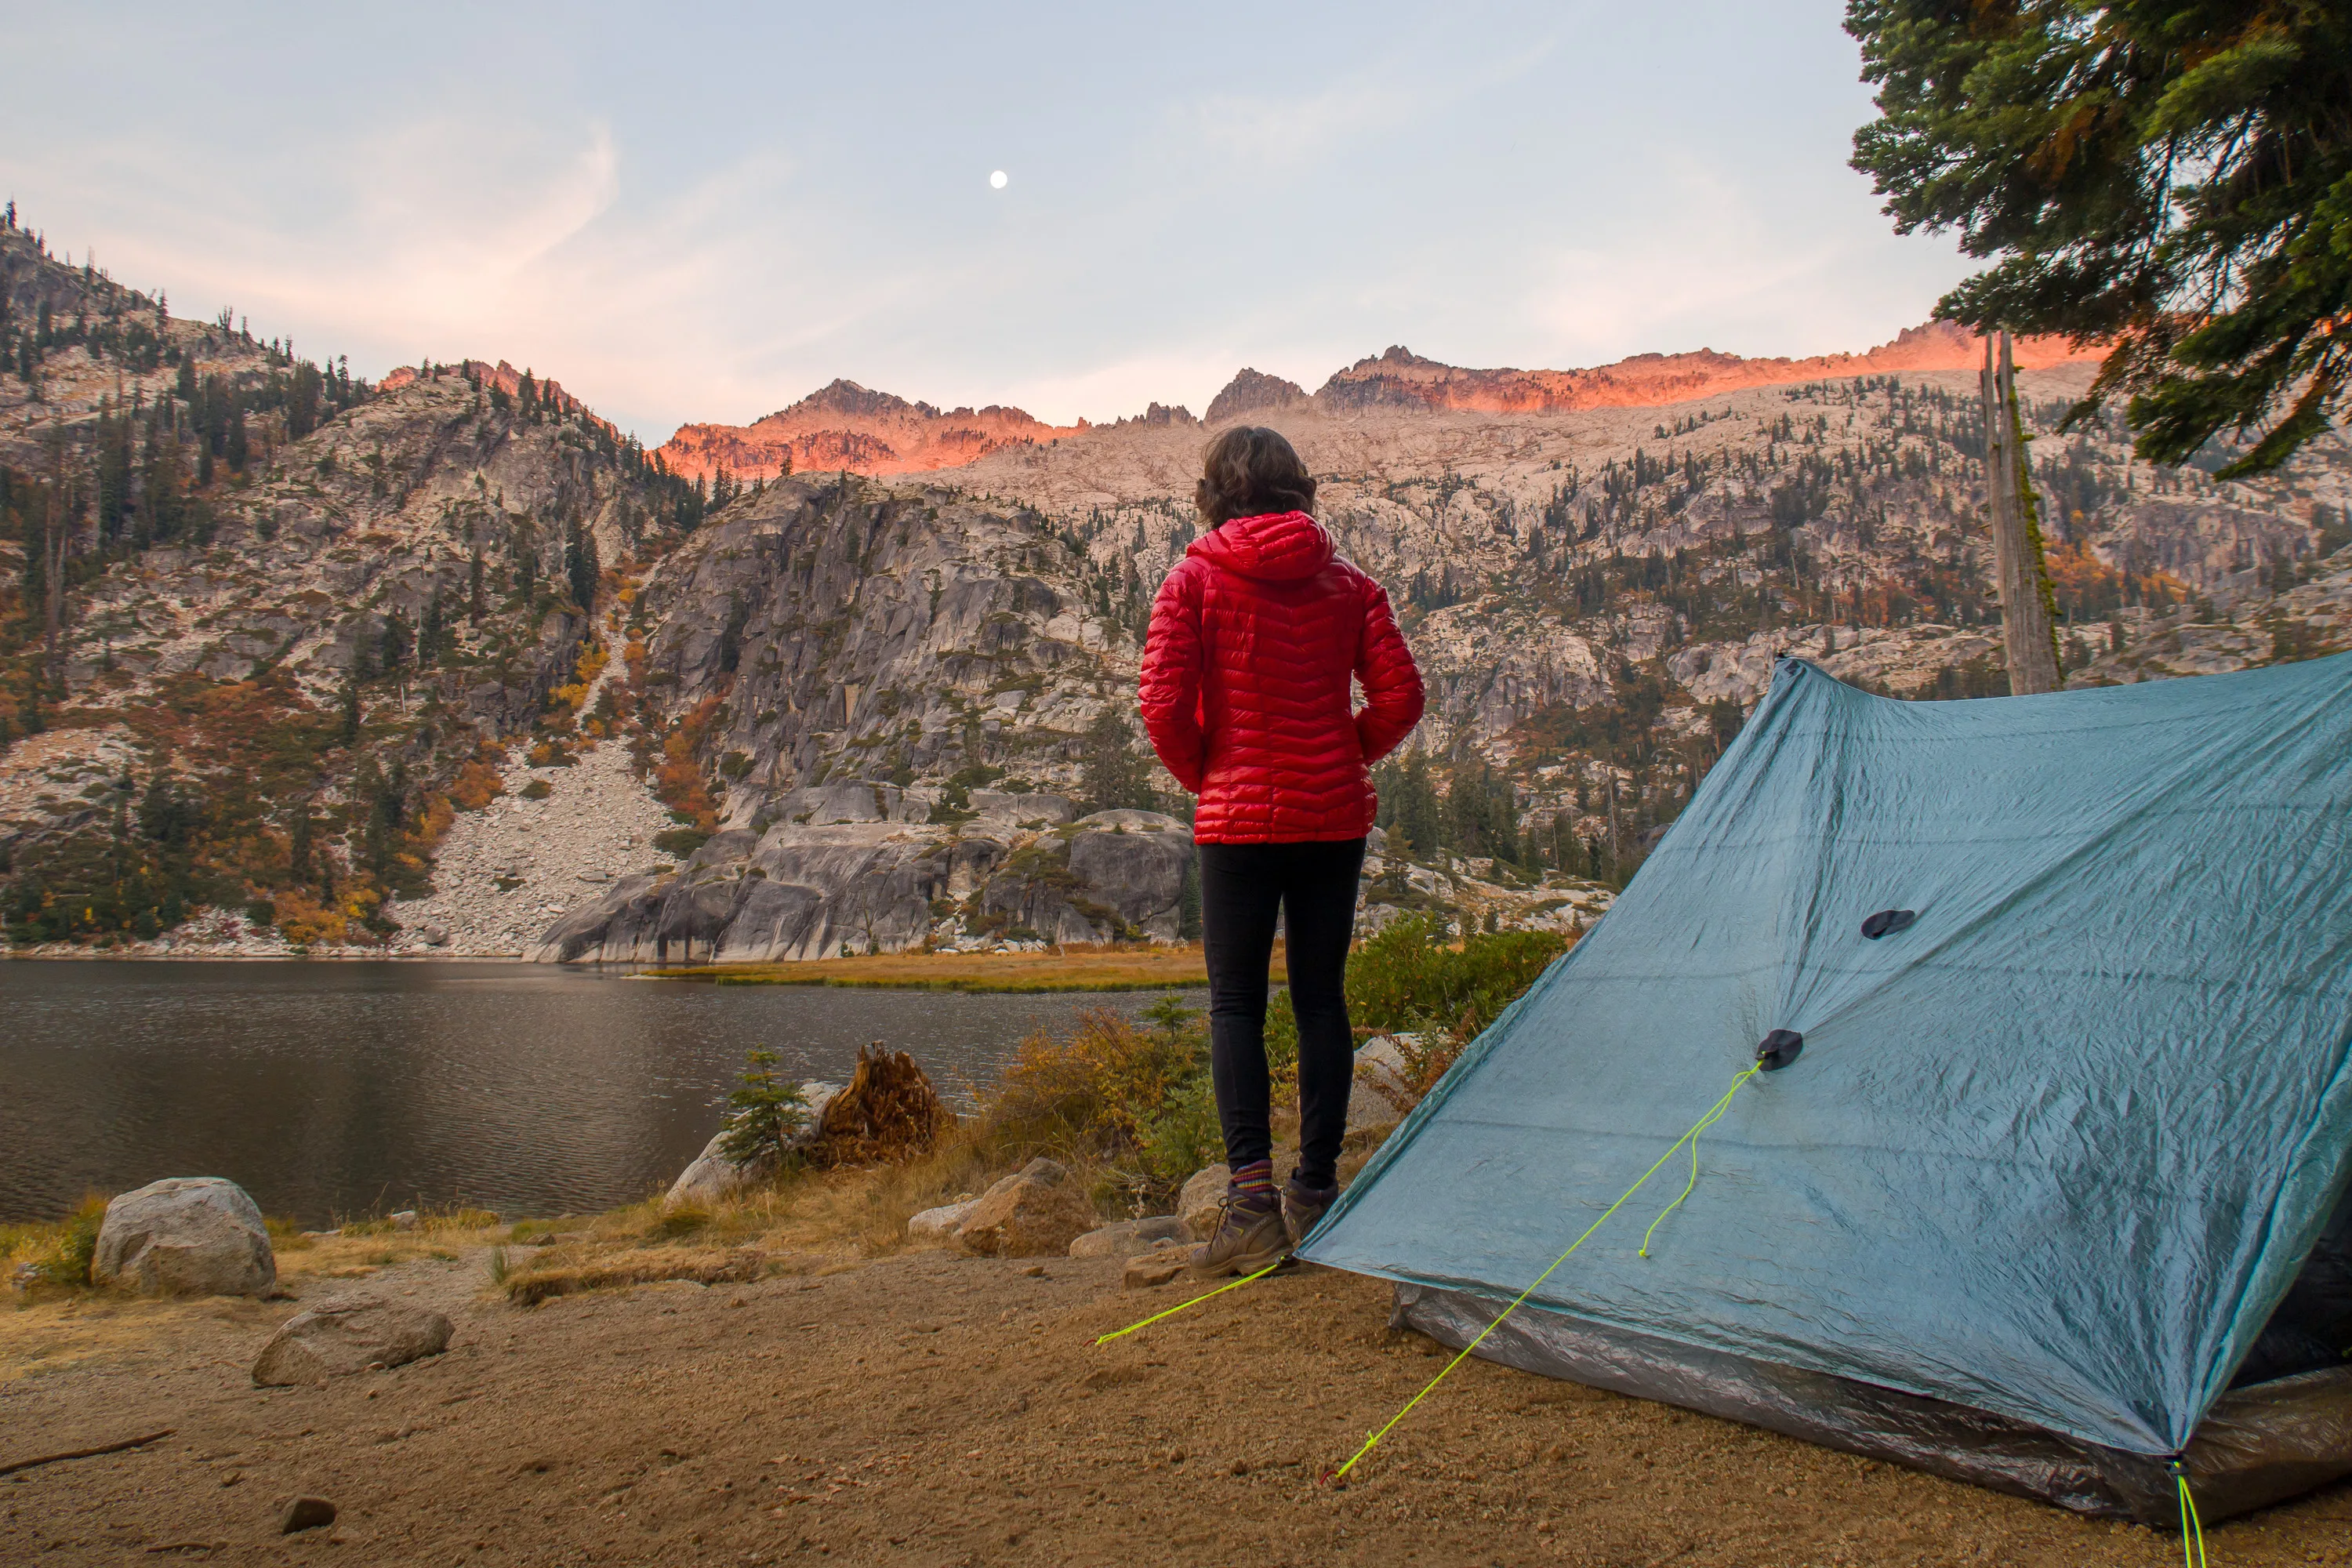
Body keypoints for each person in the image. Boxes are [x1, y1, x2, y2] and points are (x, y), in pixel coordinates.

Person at [1138, 426, 1425, 1278]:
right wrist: (1340, 755)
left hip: (1237, 823)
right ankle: (1316, 1190)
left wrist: (1211, 772)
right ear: (1299, 488)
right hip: (1331, 818)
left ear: (1216, 495)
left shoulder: (1192, 579)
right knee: (1320, 999)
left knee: (1235, 1004)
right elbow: (1402, 697)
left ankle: (1252, 1207)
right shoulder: (1351, 583)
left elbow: (1161, 702)